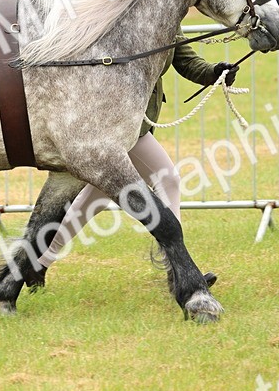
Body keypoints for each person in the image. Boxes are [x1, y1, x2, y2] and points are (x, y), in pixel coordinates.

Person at [37, 37, 238, 285]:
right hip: (115, 123)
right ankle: (179, 270)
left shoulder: (167, 16)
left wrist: (216, 72)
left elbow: (185, 61)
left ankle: (38, 261)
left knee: (94, 199)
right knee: (168, 179)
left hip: (134, 122)